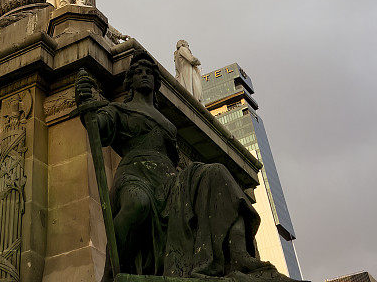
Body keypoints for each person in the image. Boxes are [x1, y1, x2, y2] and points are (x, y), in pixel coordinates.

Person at [76, 51, 286, 281]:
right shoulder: (119, 110)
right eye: (138, 72)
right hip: (135, 175)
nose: (144, 75)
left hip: (168, 180)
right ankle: (111, 270)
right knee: (138, 204)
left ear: (156, 83)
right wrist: (86, 104)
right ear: (131, 81)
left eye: (149, 73)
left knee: (216, 174)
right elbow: (99, 128)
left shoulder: (168, 124)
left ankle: (240, 256)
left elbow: (176, 162)